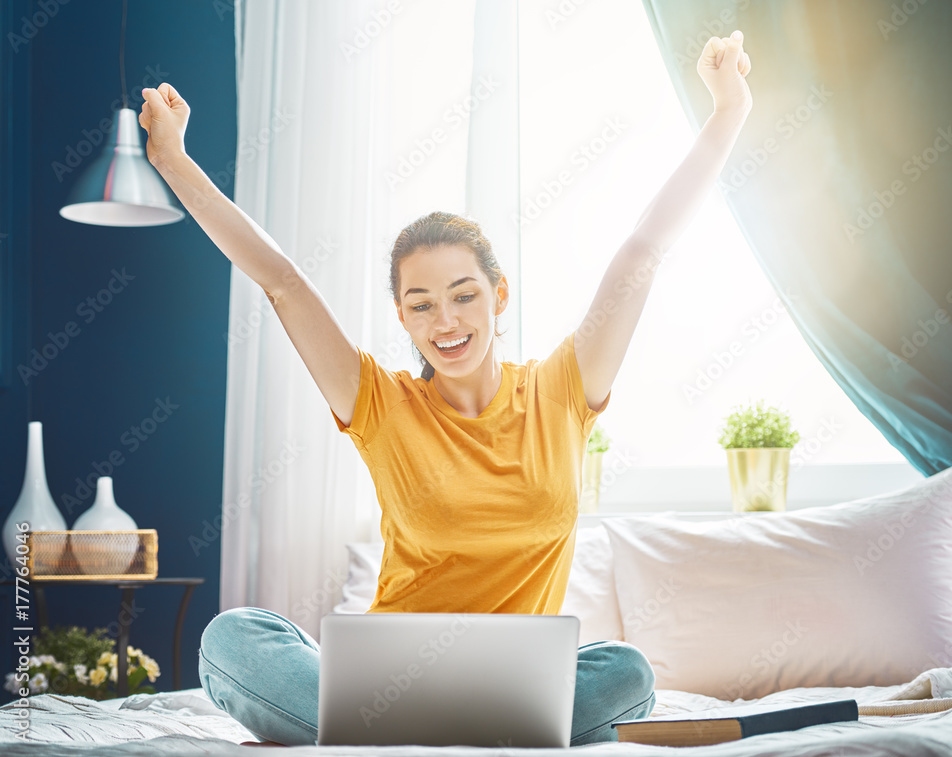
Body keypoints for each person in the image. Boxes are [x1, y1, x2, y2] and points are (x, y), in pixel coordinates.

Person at [139, 30, 752, 747]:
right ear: (402, 314)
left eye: (464, 296)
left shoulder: (559, 391)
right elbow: (283, 283)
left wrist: (727, 115)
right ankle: (415, 723)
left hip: (502, 691)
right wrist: (175, 164)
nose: (447, 321)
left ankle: (373, 731)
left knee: (626, 671)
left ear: (499, 295)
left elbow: (640, 254)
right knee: (233, 637)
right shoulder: (381, 404)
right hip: (384, 686)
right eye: (423, 304)